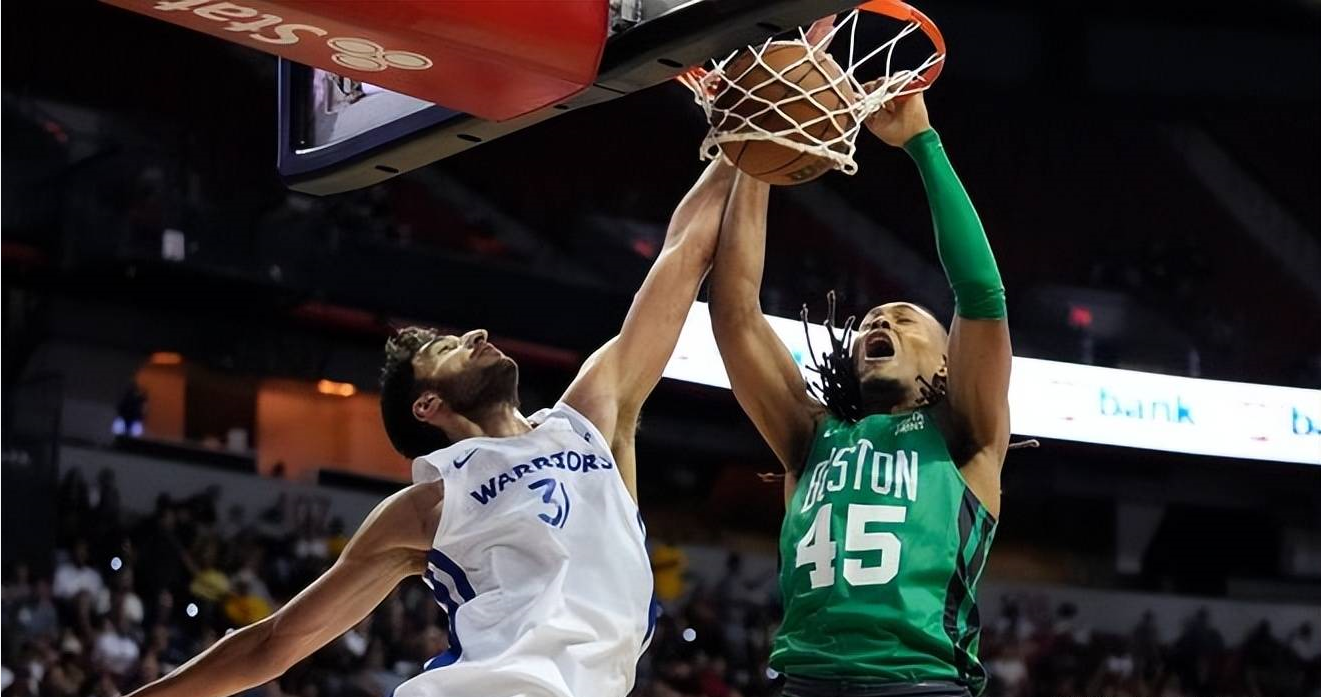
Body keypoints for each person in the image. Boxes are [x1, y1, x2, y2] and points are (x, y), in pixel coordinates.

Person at [125, 160, 738, 697]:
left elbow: (683, 256)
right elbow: (276, 642)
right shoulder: (431, 503)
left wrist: (740, 133)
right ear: (427, 406)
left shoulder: (588, 421)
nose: (476, 335)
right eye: (448, 347)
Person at [709, 88, 1011, 696]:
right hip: (804, 681)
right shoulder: (811, 435)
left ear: (948, 366)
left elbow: (980, 295)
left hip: (919, 682)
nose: (880, 322)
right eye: (872, 319)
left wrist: (924, 145)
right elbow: (735, 311)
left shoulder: (964, 434)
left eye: (903, 318)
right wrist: (757, 152)